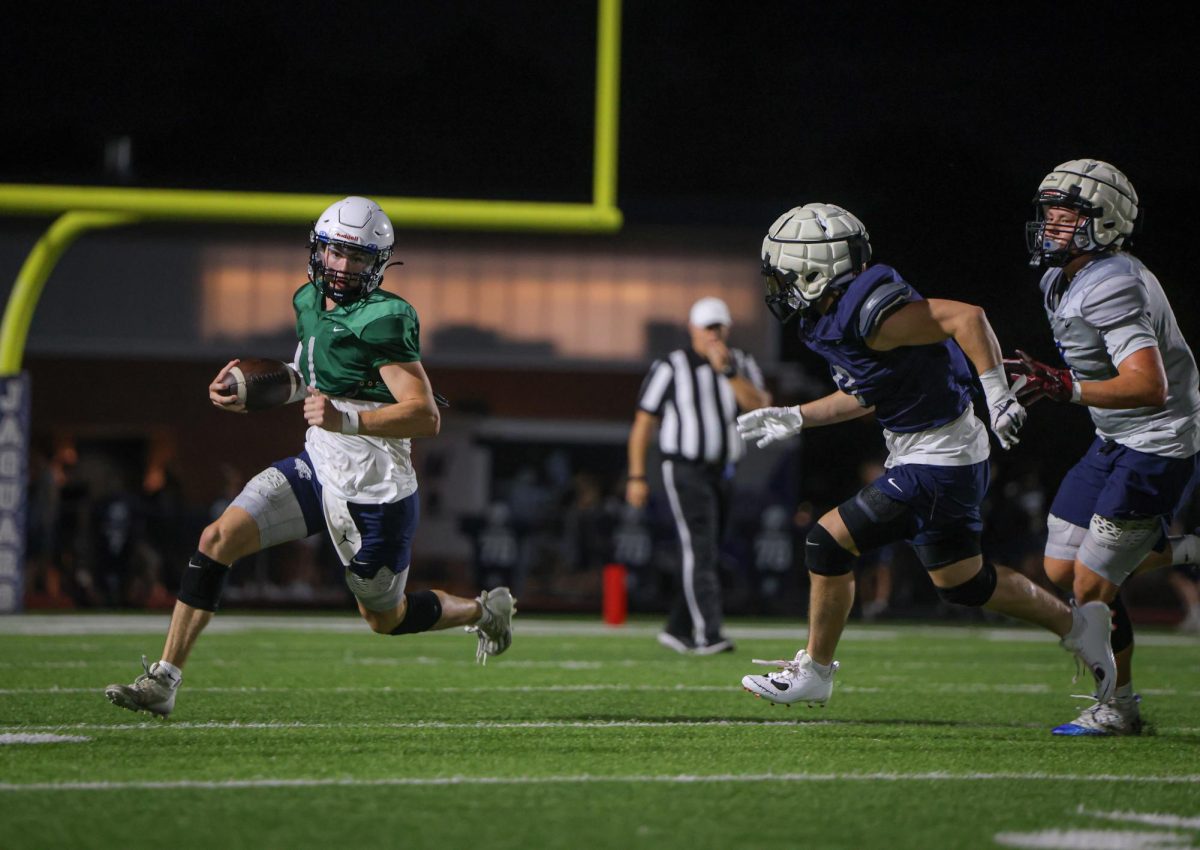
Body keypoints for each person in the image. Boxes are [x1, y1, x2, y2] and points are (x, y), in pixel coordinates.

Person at [106, 196, 515, 718]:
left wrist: (349, 420)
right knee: (216, 538)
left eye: (358, 257)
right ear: (317, 251)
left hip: (375, 490)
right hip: (318, 465)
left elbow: (424, 414)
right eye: (335, 253)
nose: (343, 267)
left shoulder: (384, 319)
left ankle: (484, 610)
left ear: (379, 264)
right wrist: (254, 385)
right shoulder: (307, 301)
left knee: (384, 618)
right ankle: (164, 680)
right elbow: (314, 377)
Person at [736, 202, 1115, 716]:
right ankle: (1078, 627)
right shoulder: (839, 317)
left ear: (815, 269)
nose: (777, 288)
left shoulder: (872, 314)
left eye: (784, 275)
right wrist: (797, 416)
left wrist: (997, 392)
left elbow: (966, 317)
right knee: (965, 583)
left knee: (826, 542)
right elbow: (870, 393)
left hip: (941, 458)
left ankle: (816, 672)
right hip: (937, 451)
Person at [1007, 159, 1200, 734]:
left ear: (1108, 222)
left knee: (1093, 587)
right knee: (1060, 565)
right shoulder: (1061, 276)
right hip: (1114, 436)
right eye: (1050, 211)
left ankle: (1119, 707)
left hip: (1156, 439)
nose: (1053, 223)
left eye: (1072, 212)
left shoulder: (1112, 281)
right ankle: (1184, 549)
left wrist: (1064, 387)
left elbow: (1148, 384)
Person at [626, 296, 772, 654]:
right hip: (684, 468)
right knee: (700, 548)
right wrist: (636, 476)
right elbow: (644, 423)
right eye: (708, 326)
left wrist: (728, 373)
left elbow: (761, 406)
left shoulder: (740, 363)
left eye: (719, 326)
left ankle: (677, 627)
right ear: (692, 328)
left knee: (707, 550)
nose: (714, 333)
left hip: (722, 471)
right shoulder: (671, 366)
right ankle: (709, 633)